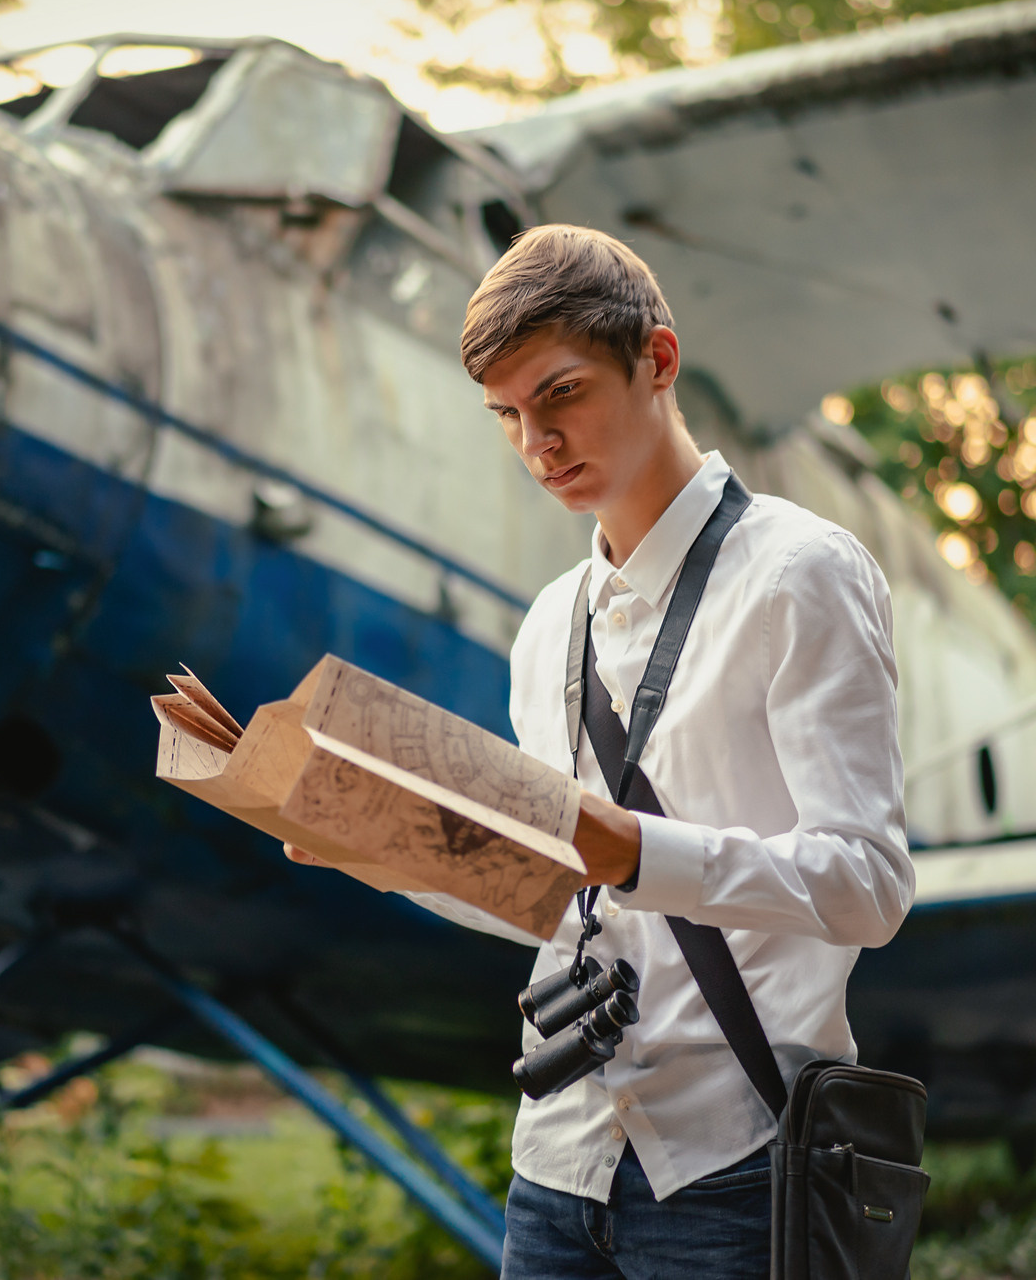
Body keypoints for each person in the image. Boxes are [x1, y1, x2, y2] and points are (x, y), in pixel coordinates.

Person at [292, 224, 913, 1278]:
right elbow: (553, 895)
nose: (537, 440)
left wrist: (635, 849)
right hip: (557, 1161)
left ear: (657, 360)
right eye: (507, 415)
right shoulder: (547, 625)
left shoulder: (801, 573)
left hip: (735, 1161)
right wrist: (387, 854)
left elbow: (869, 886)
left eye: (562, 393)